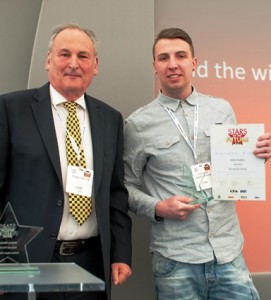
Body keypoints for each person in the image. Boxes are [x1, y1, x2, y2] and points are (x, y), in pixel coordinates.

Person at [123, 27, 271, 300]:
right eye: (164, 57)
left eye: (180, 56)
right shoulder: (138, 124)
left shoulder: (222, 109)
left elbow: (234, 168)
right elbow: (124, 187)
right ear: (155, 66)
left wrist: (256, 154)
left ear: (193, 62)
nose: (173, 64)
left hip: (228, 254)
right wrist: (157, 207)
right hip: (176, 260)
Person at [0, 23, 132, 300]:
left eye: (83, 56)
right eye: (64, 54)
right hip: (25, 261)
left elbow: (115, 193)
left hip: (90, 263)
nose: (74, 64)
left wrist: (120, 254)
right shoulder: (10, 110)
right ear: (48, 61)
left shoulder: (110, 119)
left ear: (95, 65)